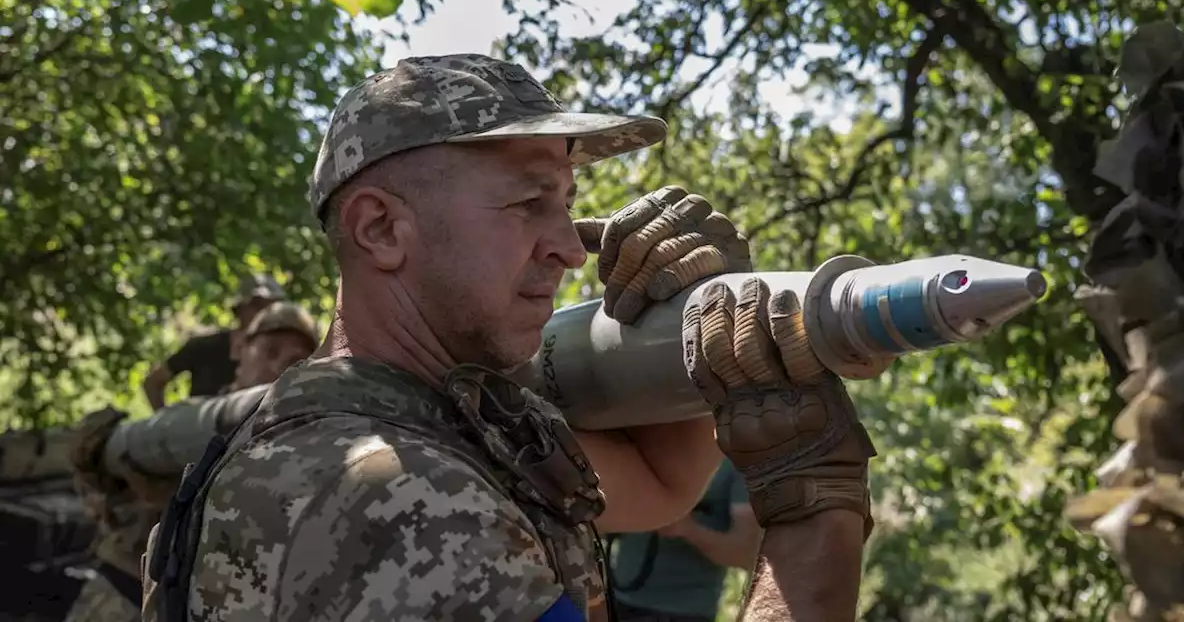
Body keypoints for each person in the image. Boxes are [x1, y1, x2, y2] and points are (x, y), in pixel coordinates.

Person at [139, 54, 882, 622]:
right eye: (530, 202)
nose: (569, 246)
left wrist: (685, 326)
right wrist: (813, 511)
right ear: (382, 228)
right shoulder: (403, 499)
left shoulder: (398, 416)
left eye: (568, 204)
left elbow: (658, 488)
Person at [61, 301, 322, 622]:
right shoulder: (188, 423)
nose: (280, 366)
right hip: (124, 594)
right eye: (271, 350)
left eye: (296, 360)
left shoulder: (302, 440)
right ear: (240, 348)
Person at [609, 458, 760, 622]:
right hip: (616, 600)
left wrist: (687, 529)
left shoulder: (737, 461)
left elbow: (745, 554)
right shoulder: (644, 445)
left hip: (684, 612)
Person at [141, 273, 285, 410]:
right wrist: (168, 425)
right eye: (258, 305)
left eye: (272, 307)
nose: (265, 312)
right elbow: (153, 382)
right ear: (240, 309)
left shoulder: (284, 354)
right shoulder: (206, 346)